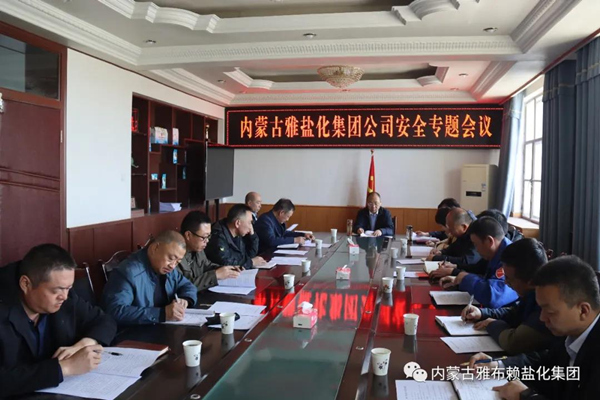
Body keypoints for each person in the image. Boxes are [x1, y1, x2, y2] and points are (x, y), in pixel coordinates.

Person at [468, 256, 600, 400]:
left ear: (583, 310)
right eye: (541, 309)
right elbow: (544, 363)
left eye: (550, 312)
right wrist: (498, 365)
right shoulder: (570, 331)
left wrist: (527, 396)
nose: (542, 318)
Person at [0, 244, 117, 397]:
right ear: (26, 284)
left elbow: (104, 321)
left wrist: (83, 345)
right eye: (56, 290)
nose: (65, 297)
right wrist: (65, 367)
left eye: (68, 288)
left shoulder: (64, 295)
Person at [461, 238, 555, 354]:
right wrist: (483, 313)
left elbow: (513, 342)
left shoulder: (547, 303)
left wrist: (492, 324)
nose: (505, 282)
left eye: (509, 279)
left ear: (530, 281)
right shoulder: (532, 292)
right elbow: (515, 312)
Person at [101, 230, 197, 325]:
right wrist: (161, 314)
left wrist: (185, 298)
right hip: (136, 330)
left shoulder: (167, 269)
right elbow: (115, 310)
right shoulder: (129, 272)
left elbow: (188, 285)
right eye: (171, 258)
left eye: (178, 262)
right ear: (154, 248)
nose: (172, 266)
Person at [440, 217, 518, 308]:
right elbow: (486, 278)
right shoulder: (496, 252)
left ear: (489, 241)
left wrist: (466, 279)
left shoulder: (511, 259)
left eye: (476, 244)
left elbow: (494, 297)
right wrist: (459, 280)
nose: (476, 250)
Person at [177, 211, 242, 292]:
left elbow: (206, 265)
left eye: (208, 236)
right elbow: (183, 288)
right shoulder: (174, 255)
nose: (207, 241)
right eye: (204, 237)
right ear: (188, 235)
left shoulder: (197, 248)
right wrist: (215, 275)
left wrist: (227, 269)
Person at [206, 204, 266, 269]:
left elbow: (249, 255)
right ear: (237, 223)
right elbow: (226, 263)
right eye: (249, 222)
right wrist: (251, 262)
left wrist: (252, 235)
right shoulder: (217, 236)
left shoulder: (238, 234)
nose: (251, 227)